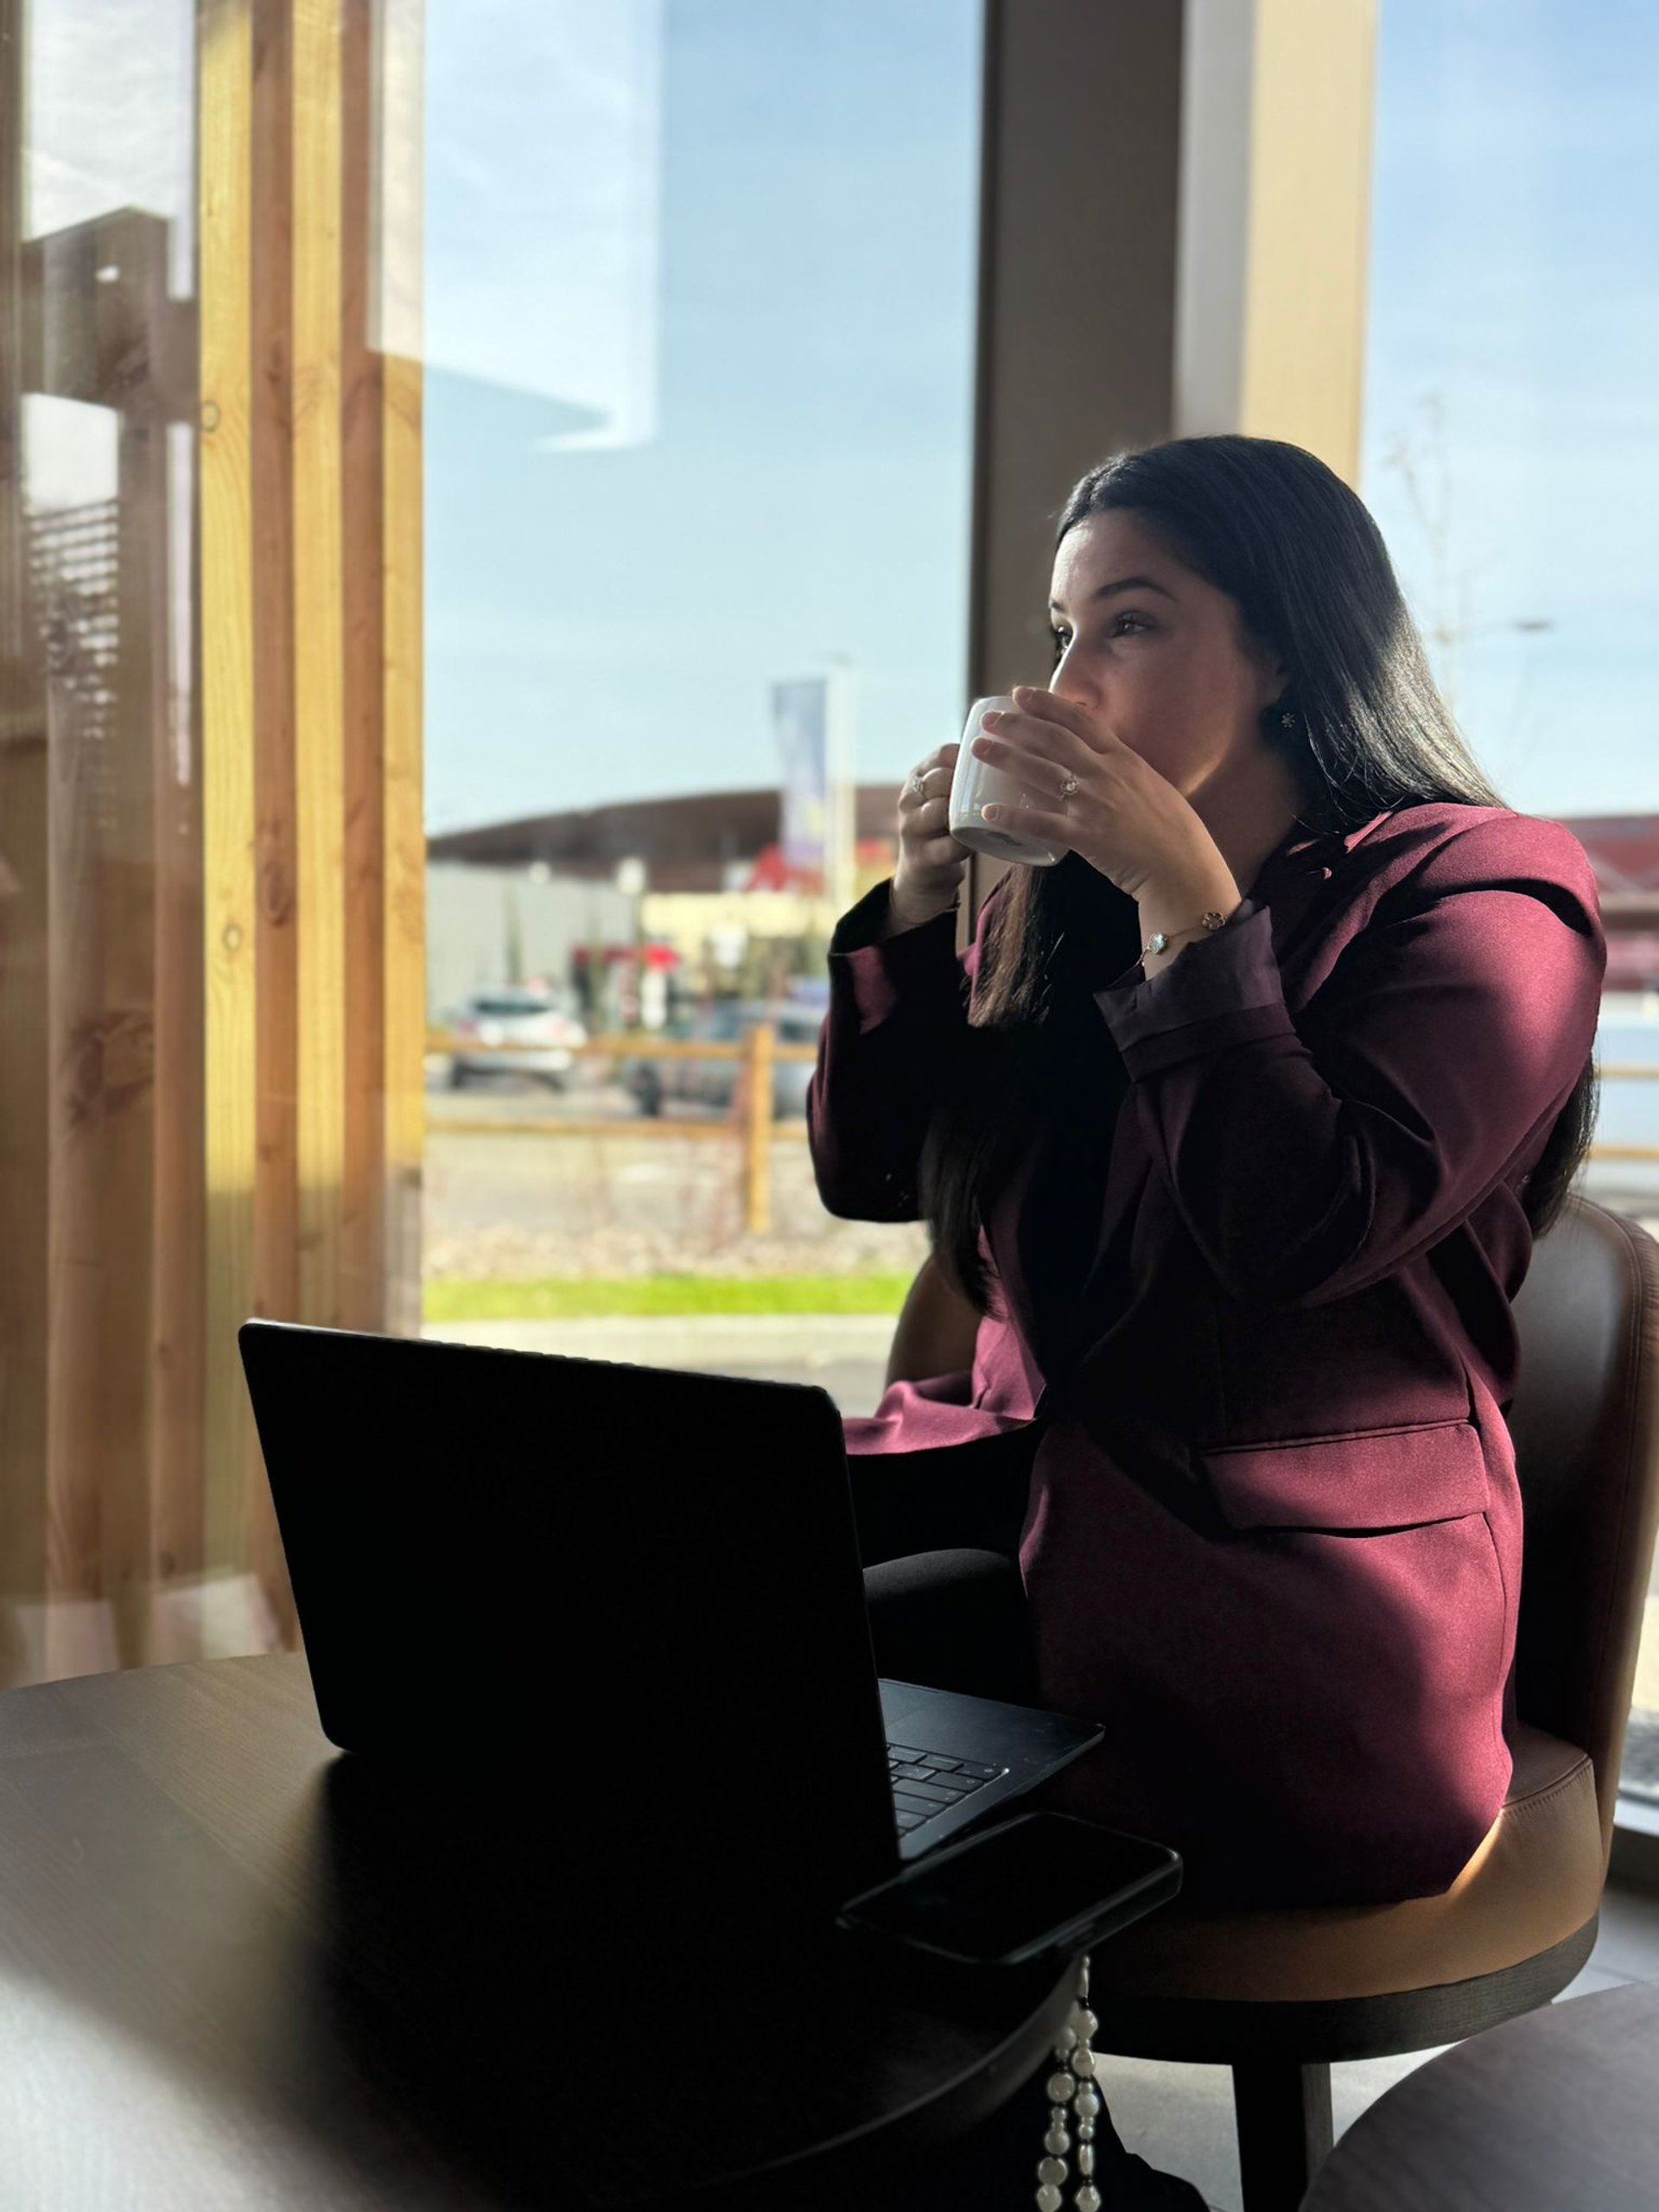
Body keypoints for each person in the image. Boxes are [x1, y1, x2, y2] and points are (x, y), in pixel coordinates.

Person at [807, 433, 1605, 2208]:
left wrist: (1192, 901)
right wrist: (927, 912)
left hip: (1306, 1643)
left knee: (815, 1855)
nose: (1063, 679)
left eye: (1129, 625)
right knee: (674, 1742)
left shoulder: (1491, 897)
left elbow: (1298, 1222)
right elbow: (873, 1169)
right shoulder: (1067, 924)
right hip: (1039, 1559)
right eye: (1059, 630)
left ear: (1292, 651)